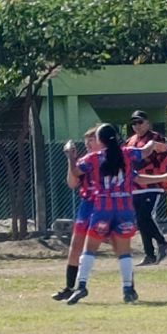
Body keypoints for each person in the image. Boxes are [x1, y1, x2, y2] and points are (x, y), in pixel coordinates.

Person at [63, 123, 167, 305]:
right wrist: (153, 144)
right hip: (124, 209)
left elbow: (75, 172)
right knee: (124, 252)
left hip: (103, 207)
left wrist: (71, 157)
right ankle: (128, 289)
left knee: (89, 250)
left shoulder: (94, 158)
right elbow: (144, 151)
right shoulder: (128, 153)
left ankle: (81, 285)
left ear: (100, 140)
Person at [51, 126, 100, 301]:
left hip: (107, 205)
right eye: (86, 139)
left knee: (120, 246)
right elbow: (72, 183)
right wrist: (70, 158)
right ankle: (70, 288)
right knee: (76, 247)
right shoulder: (86, 161)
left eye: (92, 139)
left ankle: (128, 285)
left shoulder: (113, 157)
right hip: (87, 205)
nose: (87, 143)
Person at [126, 110, 167, 266]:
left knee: (144, 216)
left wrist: (137, 161)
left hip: (153, 183)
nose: (137, 126)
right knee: (140, 219)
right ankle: (149, 254)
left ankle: (162, 242)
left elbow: (153, 157)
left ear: (147, 123)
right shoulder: (130, 141)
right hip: (135, 185)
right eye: (134, 123)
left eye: (140, 122)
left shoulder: (156, 138)